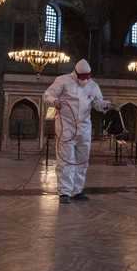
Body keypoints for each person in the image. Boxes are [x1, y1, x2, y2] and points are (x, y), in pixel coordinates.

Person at [44, 59, 112, 204]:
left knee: (82, 160)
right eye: (83, 77)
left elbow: (97, 103)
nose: (85, 79)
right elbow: (47, 95)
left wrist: (104, 105)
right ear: (76, 74)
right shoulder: (63, 81)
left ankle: (77, 191)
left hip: (84, 128)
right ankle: (65, 192)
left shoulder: (93, 85)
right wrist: (54, 102)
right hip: (66, 127)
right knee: (66, 160)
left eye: (88, 76)